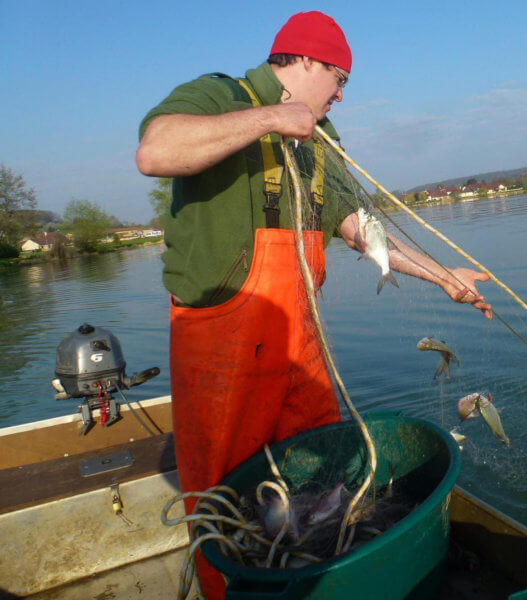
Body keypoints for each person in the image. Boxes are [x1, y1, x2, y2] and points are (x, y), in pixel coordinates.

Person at [135, 10, 490, 598]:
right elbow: (155, 151)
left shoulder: (322, 140)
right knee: (226, 494)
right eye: (340, 80)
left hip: (300, 338)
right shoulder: (221, 93)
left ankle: (318, 581)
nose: (342, 96)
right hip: (223, 344)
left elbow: (360, 228)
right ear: (305, 62)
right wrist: (274, 117)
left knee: (319, 476)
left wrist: (441, 275)